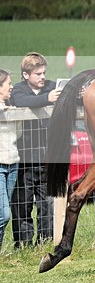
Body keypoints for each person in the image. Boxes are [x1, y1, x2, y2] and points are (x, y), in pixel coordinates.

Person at [9, 52, 60, 246]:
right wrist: (48, 98)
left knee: (47, 203)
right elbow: (23, 103)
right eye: (38, 73)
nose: (43, 77)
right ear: (25, 75)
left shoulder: (52, 86)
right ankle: (23, 244)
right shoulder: (18, 90)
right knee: (22, 204)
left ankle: (45, 242)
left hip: (48, 157)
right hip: (24, 158)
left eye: (44, 73)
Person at [0, 69, 19, 252]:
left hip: (13, 163)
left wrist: (14, 116)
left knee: (3, 214)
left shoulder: (10, 109)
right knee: (4, 215)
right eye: (8, 84)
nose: (11, 87)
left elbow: (18, 134)